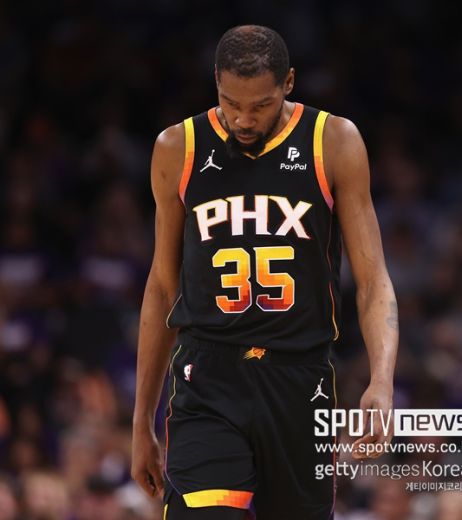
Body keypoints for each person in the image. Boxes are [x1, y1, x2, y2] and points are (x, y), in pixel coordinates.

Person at [130, 25, 398, 520]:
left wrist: (382, 380)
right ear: (216, 81)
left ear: (288, 83)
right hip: (208, 374)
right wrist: (141, 418)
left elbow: (373, 280)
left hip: (300, 375)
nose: (243, 118)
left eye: (260, 105)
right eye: (231, 103)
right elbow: (163, 287)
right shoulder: (177, 147)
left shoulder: (333, 141)